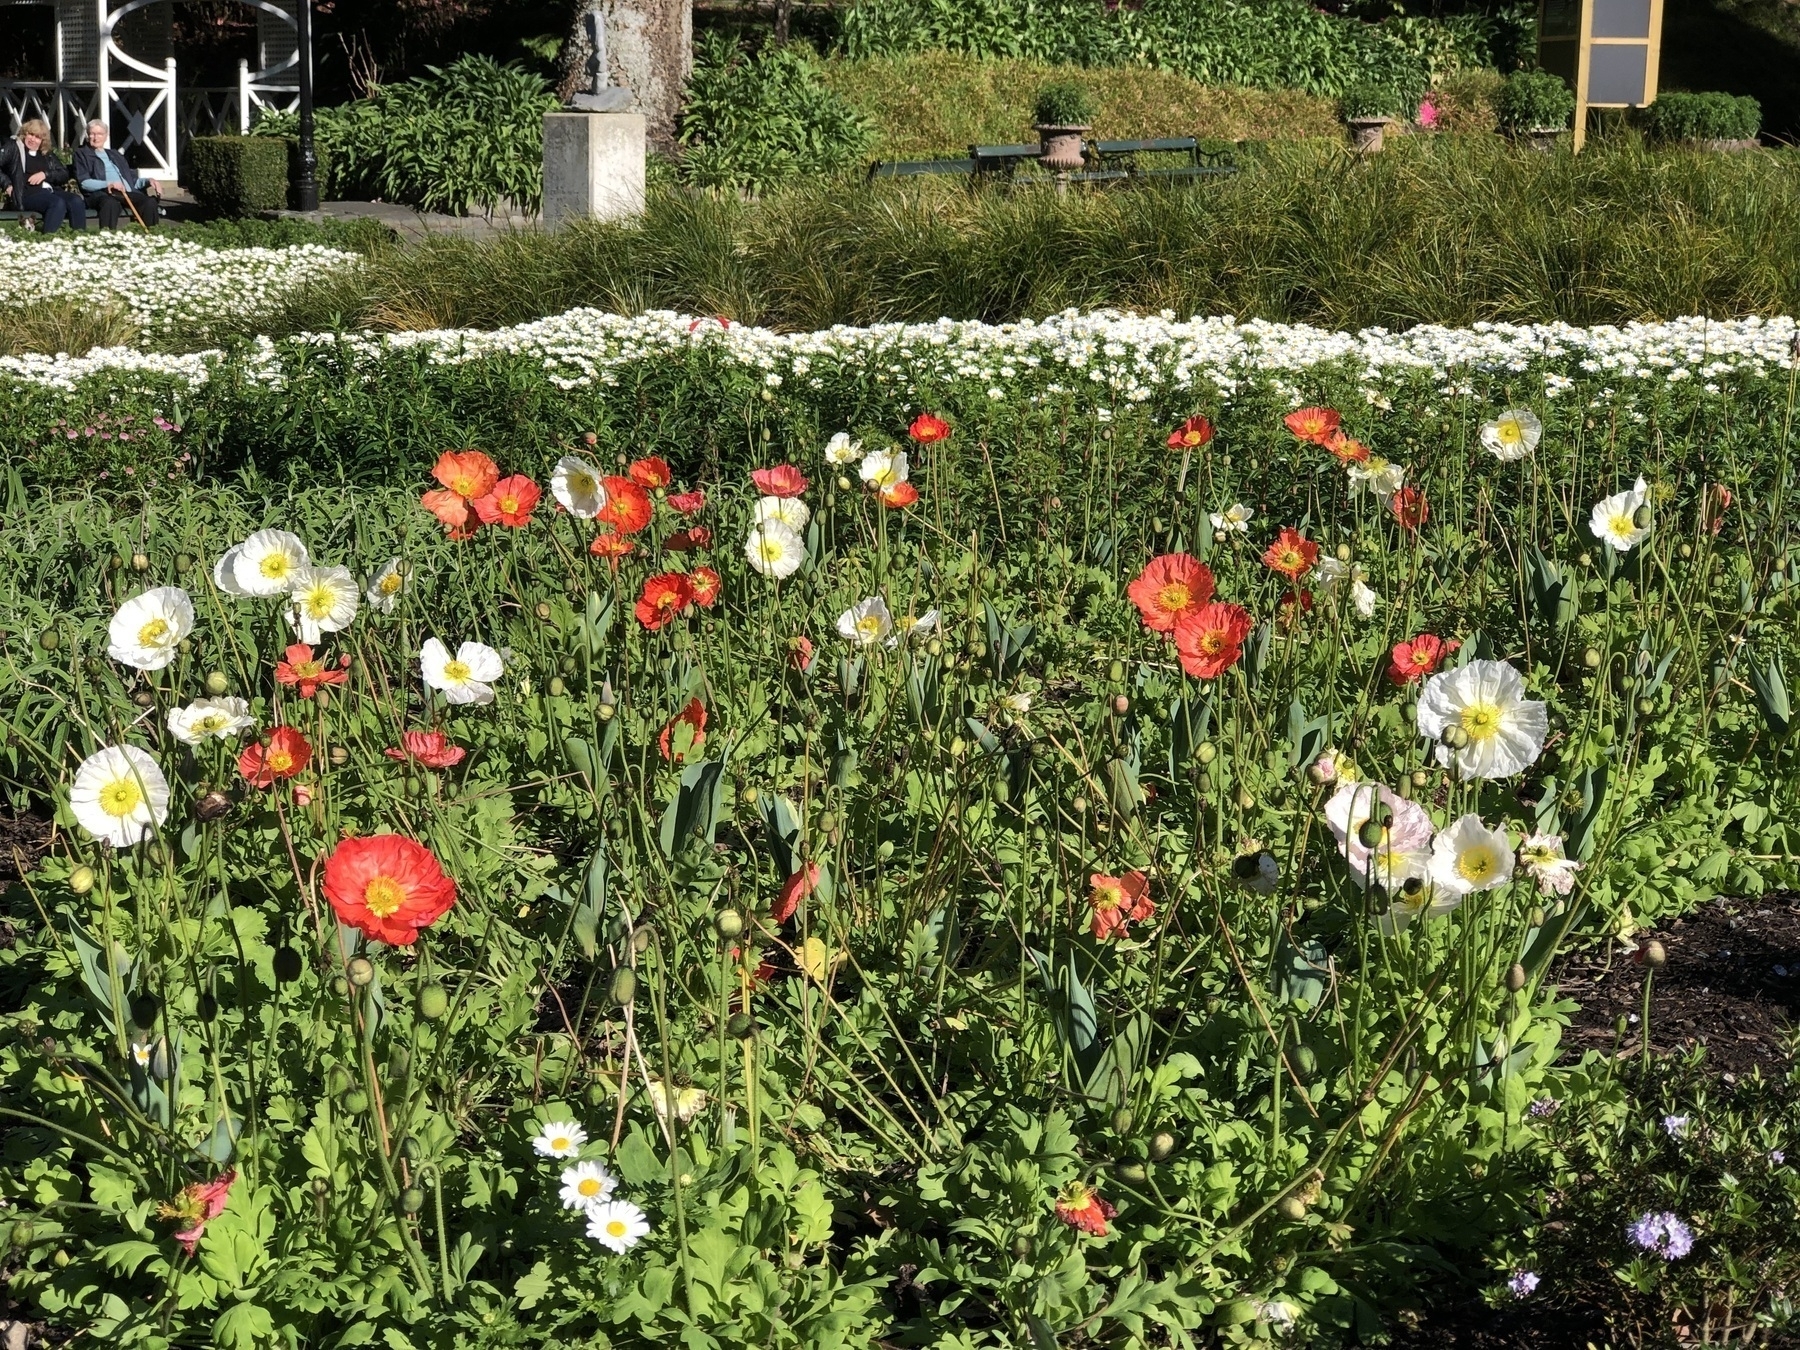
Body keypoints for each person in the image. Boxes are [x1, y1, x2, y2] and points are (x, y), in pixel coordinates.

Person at [1, 120, 86, 232]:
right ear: (24, 134)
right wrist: (7, 185)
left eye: (37, 137)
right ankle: (47, 240)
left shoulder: (47, 154)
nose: (33, 139)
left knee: (76, 201)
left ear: (42, 140)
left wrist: (45, 174)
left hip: (49, 191)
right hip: (26, 193)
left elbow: (63, 173)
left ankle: (79, 238)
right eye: (30, 134)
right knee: (56, 203)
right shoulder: (14, 147)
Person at [73, 120, 161, 229]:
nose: (96, 138)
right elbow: (84, 183)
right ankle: (108, 239)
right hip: (101, 194)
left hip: (126, 193)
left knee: (149, 202)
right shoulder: (81, 154)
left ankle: (152, 237)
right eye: (92, 134)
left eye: (100, 134)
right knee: (110, 204)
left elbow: (131, 180)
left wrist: (148, 181)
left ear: (106, 136)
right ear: (87, 135)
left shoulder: (115, 154)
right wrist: (109, 184)